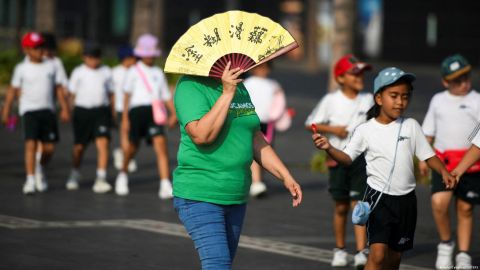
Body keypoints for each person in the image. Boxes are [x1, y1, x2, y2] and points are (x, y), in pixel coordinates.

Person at [312, 67, 457, 270]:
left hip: (406, 202)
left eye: (405, 96)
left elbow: (429, 155)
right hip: (378, 199)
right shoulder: (365, 130)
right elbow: (346, 158)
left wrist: (443, 171)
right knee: (378, 255)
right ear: (379, 98)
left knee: (395, 257)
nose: (400, 102)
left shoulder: (411, 126)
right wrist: (329, 148)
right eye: (394, 96)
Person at [172, 62, 303, 270]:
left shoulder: (239, 86)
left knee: (223, 264)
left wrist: (285, 175)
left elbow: (255, 137)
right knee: (218, 264)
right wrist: (226, 93)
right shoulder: (190, 86)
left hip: (235, 194)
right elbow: (201, 135)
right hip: (200, 193)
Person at [305, 54, 372, 267]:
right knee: (341, 207)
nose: (359, 77)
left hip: (361, 160)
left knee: (359, 206)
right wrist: (332, 129)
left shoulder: (369, 99)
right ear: (341, 78)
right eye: (354, 73)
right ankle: (340, 249)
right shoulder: (331, 100)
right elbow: (311, 123)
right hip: (337, 158)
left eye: (361, 73)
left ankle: (362, 251)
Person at [419, 54, 480, 269]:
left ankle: (463, 254)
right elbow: (428, 132)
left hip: (471, 164)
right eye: (456, 80)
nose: (463, 84)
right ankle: (446, 243)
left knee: (465, 208)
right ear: (445, 82)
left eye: (466, 78)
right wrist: (424, 158)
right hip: (443, 163)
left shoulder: (476, 100)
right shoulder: (438, 101)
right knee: (439, 203)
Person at [1, 32, 69, 194]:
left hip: (48, 111)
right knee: (30, 144)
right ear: (26, 50)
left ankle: (39, 167)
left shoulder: (51, 65)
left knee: (49, 149)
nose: (40, 50)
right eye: (35, 48)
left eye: (41, 47)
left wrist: (65, 108)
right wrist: (6, 111)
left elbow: (58, 88)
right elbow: (12, 90)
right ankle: (30, 179)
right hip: (29, 111)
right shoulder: (21, 68)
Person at [114, 33, 176, 199]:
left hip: (154, 113)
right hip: (136, 112)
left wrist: (174, 113)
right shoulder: (133, 71)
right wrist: (126, 118)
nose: (149, 56)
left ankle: (164, 183)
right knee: (132, 147)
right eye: (146, 53)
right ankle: (122, 174)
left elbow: (165, 95)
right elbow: (126, 96)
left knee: (161, 145)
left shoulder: (157, 72)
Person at [65, 44, 114, 193]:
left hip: (101, 112)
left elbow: (111, 93)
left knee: (103, 143)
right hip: (82, 112)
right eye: (90, 57)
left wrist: (112, 114)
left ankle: (101, 178)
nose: (93, 61)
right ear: (84, 57)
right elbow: (71, 94)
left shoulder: (106, 71)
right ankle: (74, 172)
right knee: (79, 147)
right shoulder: (78, 72)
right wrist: (67, 110)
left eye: (96, 57)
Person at [243, 62, 288, 197]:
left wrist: (274, 116)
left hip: (267, 123)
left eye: (265, 67)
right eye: (259, 67)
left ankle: (256, 180)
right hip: (250, 121)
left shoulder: (273, 85)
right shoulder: (247, 83)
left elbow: (279, 102)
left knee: (265, 150)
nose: (262, 70)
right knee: (254, 149)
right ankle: (256, 182)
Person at [112, 45, 138, 172]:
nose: (135, 60)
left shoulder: (135, 71)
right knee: (125, 133)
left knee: (132, 136)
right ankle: (126, 157)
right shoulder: (115, 72)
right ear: (126, 58)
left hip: (133, 108)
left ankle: (123, 153)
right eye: (133, 58)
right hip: (120, 108)